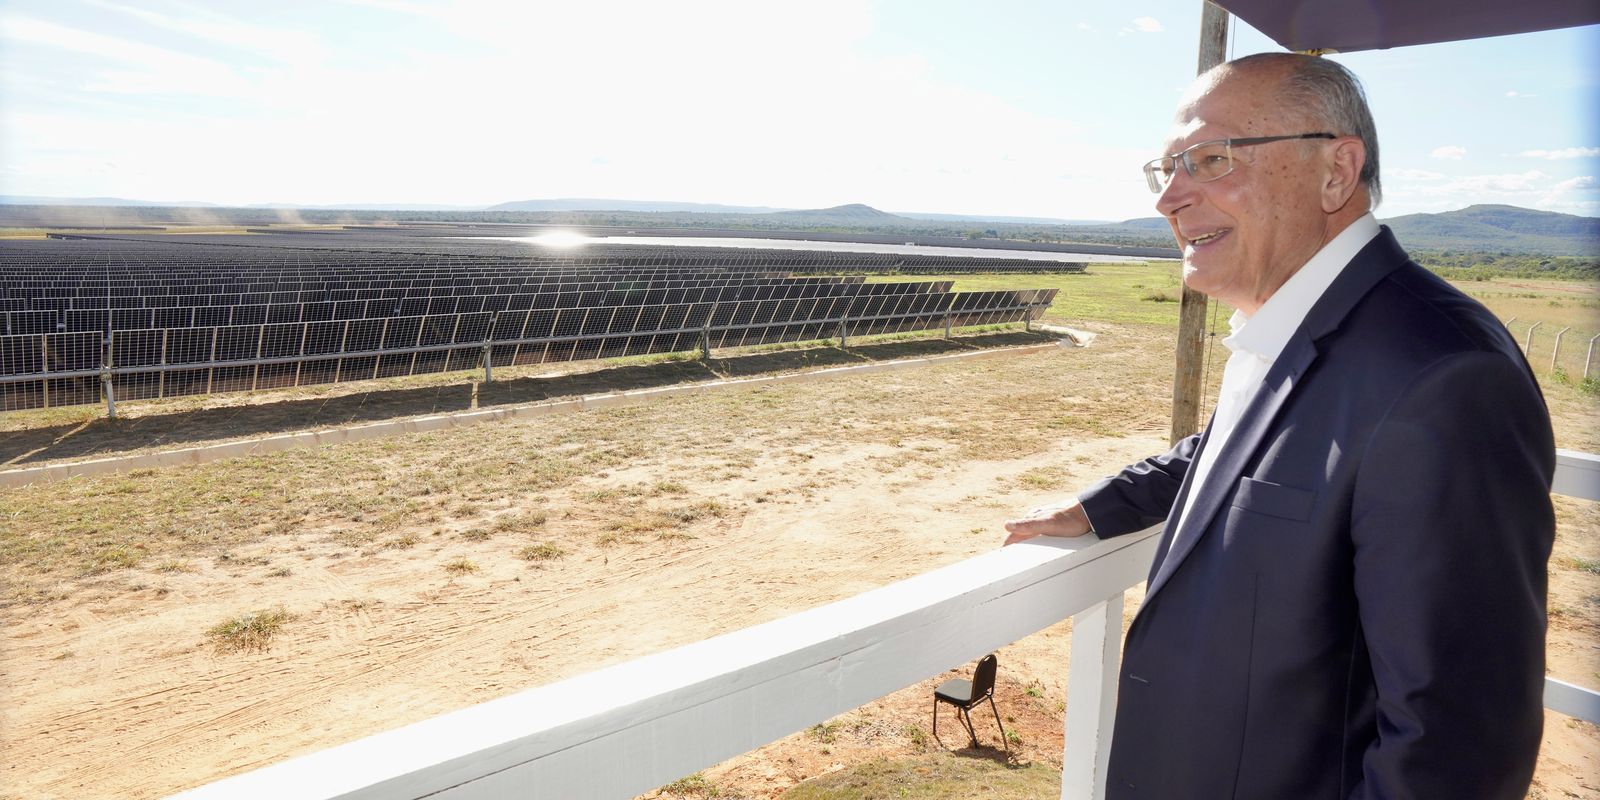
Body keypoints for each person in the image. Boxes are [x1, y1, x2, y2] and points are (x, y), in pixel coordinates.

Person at [1003, 53, 1554, 799]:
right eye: (1166, 167)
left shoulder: (1444, 377)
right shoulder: (1305, 319)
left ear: (1336, 171)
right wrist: (1103, 505)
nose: (1170, 196)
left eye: (1211, 159)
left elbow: (1455, 747)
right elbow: (1259, 446)